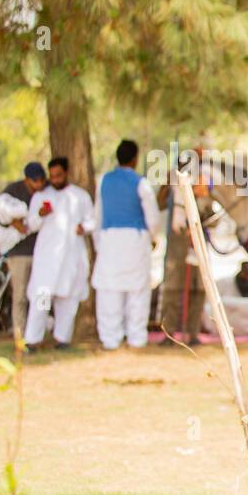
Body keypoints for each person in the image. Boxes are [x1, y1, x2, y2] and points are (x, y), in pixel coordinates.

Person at [92, 140, 159, 350]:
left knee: (109, 291)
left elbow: (98, 215)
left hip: (109, 239)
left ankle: (110, 339)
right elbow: (153, 218)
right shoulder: (141, 183)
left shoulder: (103, 181)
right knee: (137, 291)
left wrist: (98, 244)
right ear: (135, 159)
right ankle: (136, 338)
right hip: (134, 240)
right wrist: (153, 237)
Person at [24, 157, 93, 350]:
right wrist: (40, 214)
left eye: (58, 176)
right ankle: (33, 340)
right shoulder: (40, 197)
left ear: (66, 173)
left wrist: (84, 227)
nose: (55, 180)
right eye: (52, 176)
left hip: (71, 257)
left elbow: (91, 221)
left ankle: (63, 338)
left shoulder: (80, 196)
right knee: (41, 298)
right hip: (47, 260)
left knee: (67, 298)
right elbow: (30, 225)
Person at [157, 148, 215, 345]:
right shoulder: (173, 185)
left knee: (199, 287)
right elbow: (160, 203)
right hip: (176, 243)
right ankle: (169, 332)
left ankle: (192, 332)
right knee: (172, 286)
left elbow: (211, 216)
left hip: (197, 243)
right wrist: (166, 183)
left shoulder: (203, 185)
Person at [0, 162, 48, 340]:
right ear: (27, 179)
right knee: (20, 295)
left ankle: (41, 331)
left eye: (41, 180)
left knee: (43, 292)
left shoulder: (46, 191)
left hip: (42, 252)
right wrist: (12, 222)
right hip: (18, 253)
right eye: (35, 181)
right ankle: (21, 335)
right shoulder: (13, 191)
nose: (39, 184)